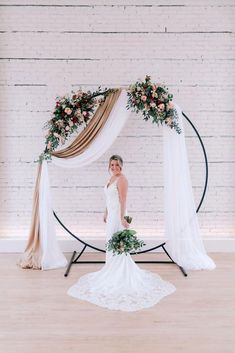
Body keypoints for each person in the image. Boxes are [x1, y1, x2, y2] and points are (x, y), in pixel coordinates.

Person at [67, 155, 176, 311]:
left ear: (121, 166)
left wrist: (122, 218)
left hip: (119, 216)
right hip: (111, 215)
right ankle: (111, 269)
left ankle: (119, 273)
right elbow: (109, 199)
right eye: (112, 164)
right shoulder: (110, 179)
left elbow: (123, 200)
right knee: (111, 244)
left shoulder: (122, 180)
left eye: (117, 165)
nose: (114, 167)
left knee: (118, 245)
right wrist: (105, 212)